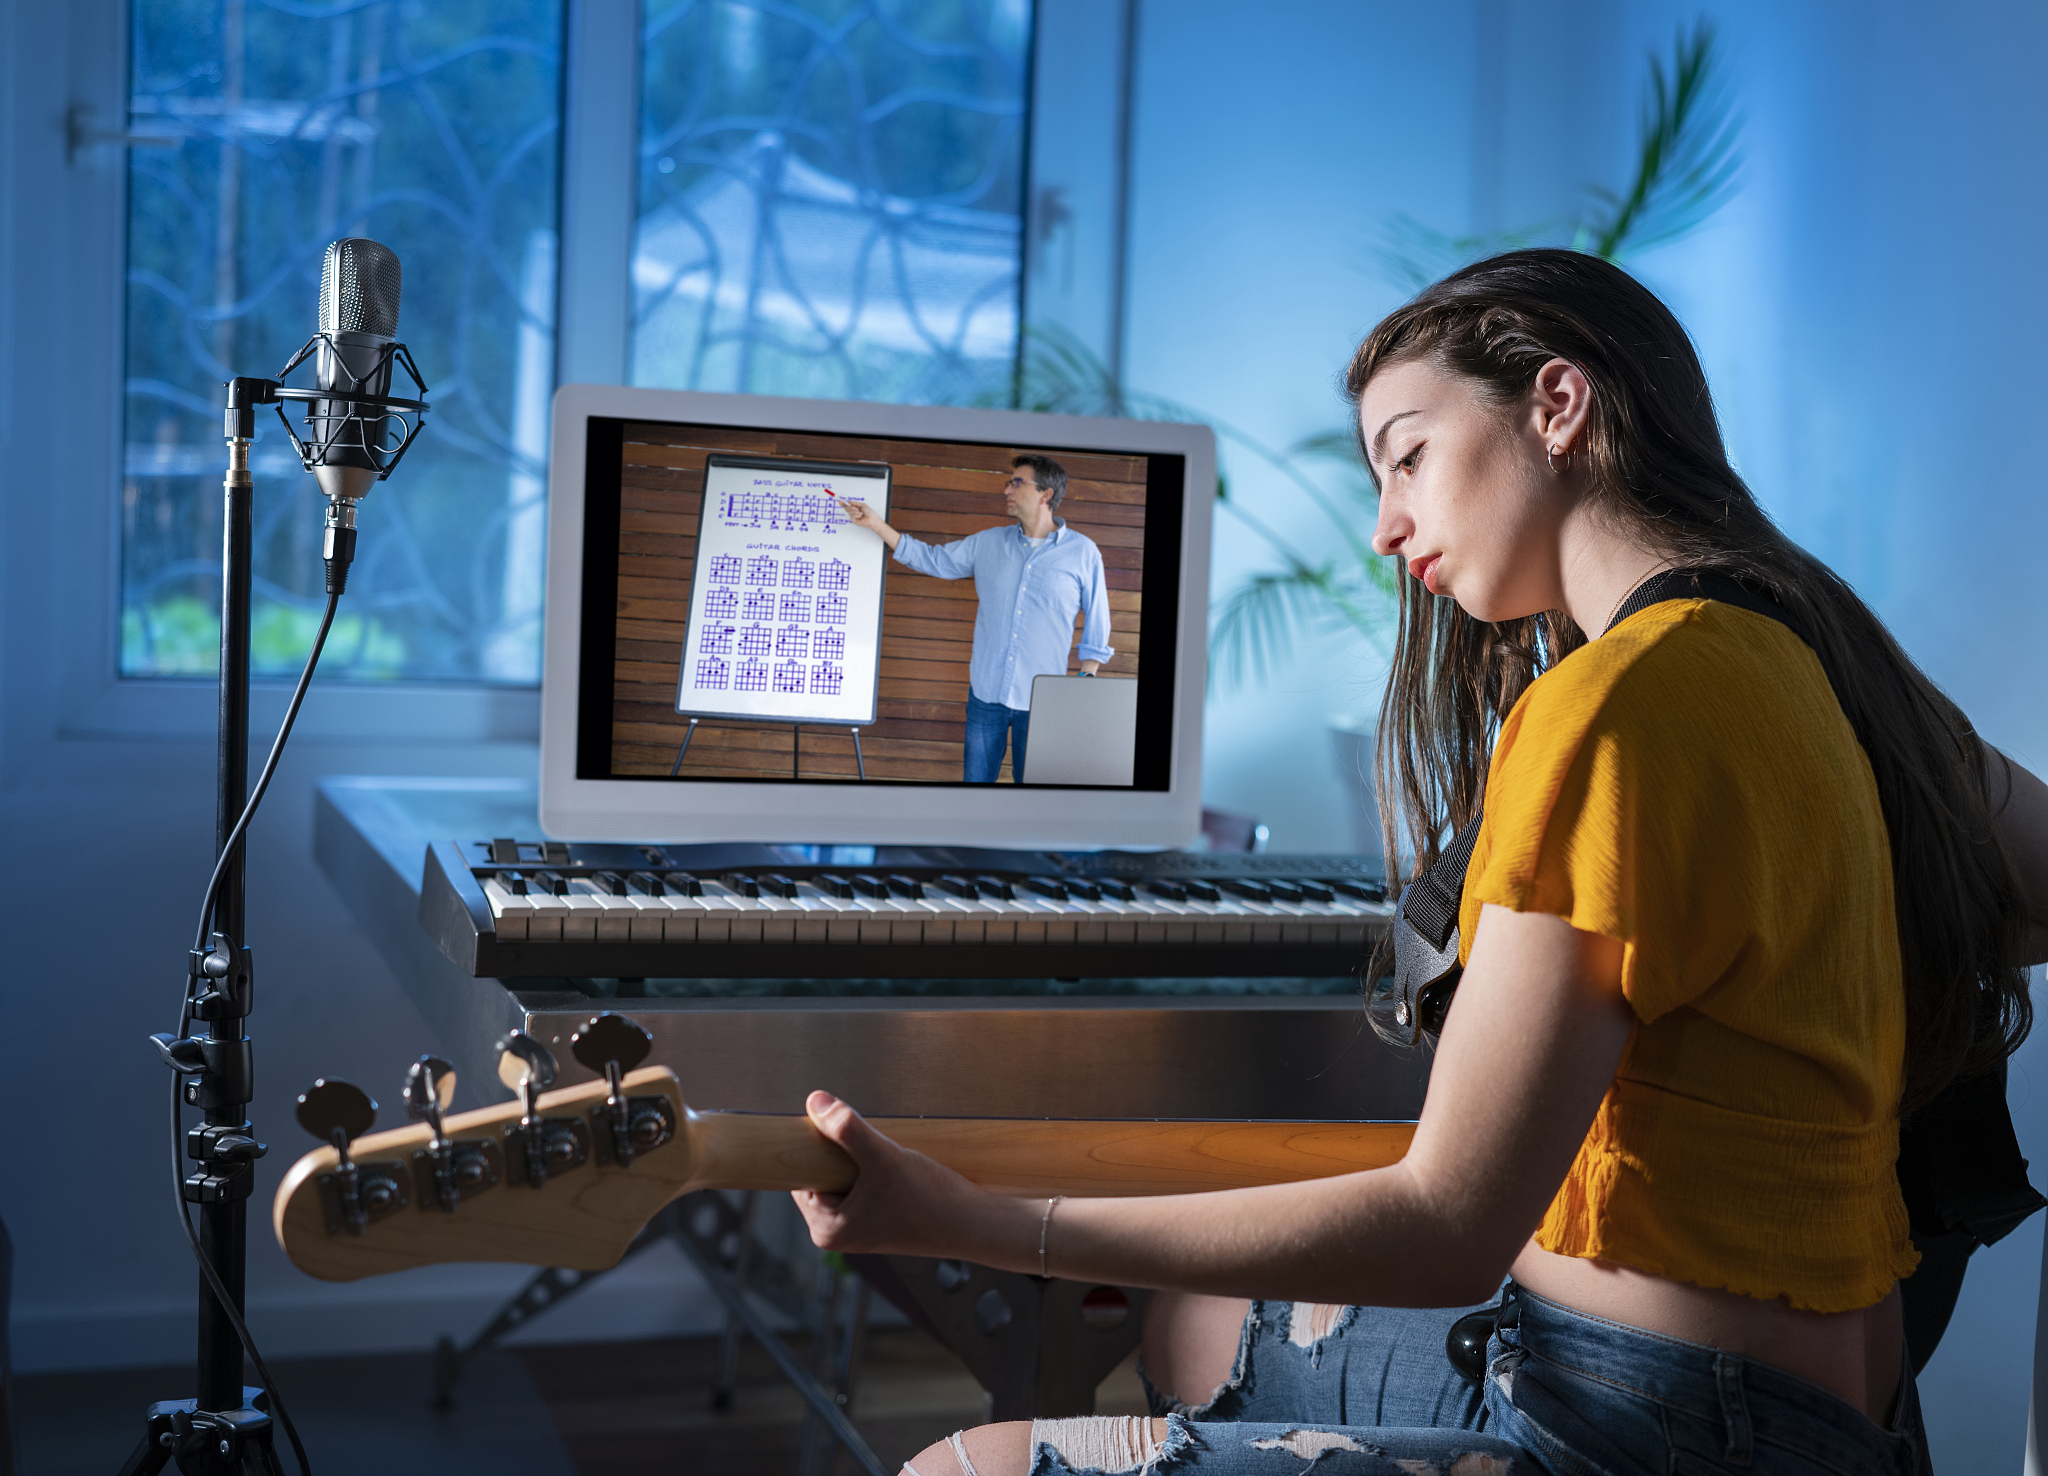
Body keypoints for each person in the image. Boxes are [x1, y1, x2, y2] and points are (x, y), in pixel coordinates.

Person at [791, 250, 2048, 1475]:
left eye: (1407, 456)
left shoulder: (1614, 707)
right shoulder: (1819, 660)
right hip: (1826, 1396)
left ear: (1556, 405)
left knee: (959, 1466)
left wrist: (969, 1219)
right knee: (1190, 1327)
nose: (1386, 527)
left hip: (1657, 1415)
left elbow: (1445, 1228)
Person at [841, 454, 1113, 783]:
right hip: (986, 696)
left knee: (1035, 797)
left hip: (1043, 701)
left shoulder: (1083, 552)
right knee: (976, 789)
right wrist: (876, 524)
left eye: (1017, 483)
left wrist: (1087, 676)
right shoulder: (987, 542)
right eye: (1009, 483)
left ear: (1046, 494)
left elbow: (1098, 616)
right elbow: (932, 559)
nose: (1007, 490)